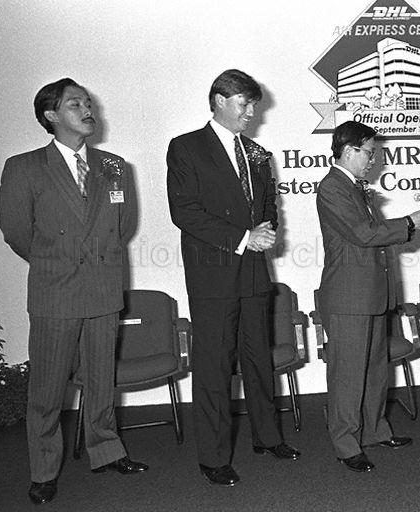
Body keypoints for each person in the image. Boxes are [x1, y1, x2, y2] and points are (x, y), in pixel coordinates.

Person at [0, 78, 146, 505]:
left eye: (88, 103)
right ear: (51, 115)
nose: (87, 110)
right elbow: (17, 232)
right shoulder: (24, 167)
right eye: (75, 104)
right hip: (55, 293)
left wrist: (93, 260)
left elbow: (123, 226)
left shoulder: (115, 166)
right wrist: (57, 261)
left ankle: (106, 451)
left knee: (101, 381)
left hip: (103, 289)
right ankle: (44, 471)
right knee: (47, 390)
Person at [166, 69, 299, 487]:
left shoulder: (257, 153)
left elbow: (269, 205)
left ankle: (268, 437)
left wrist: (267, 230)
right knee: (214, 367)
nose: (251, 112)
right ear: (220, 100)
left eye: (254, 104)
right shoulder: (186, 147)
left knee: (259, 361)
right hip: (214, 276)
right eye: (245, 103)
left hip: (255, 273)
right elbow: (184, 211)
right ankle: (213, 457)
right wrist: (243, 238)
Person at [316, 121, 420, 473]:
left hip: (369, 294)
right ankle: (346, 444)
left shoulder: (354, 187)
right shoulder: (332, 187)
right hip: (348, 297)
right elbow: (365, 234)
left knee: (374, 370)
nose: (373, 159)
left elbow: (372, 236)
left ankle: (374, 431)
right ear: (348, 151)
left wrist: (413, 223)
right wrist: (410, 223)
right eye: (368, 152)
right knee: (348, 376)